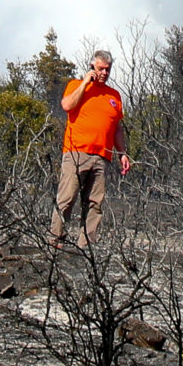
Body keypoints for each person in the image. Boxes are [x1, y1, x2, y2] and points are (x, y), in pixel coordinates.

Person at [49, 51, 130, 248]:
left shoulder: (114, 95)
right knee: (67, 198)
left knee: (94, 203)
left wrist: (122, 153)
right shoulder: (76, 85)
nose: (104, 73)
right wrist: (85, 83)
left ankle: (86, 247)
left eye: (107, 70)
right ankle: (55, 241)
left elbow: (117, 128)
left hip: (102, 156)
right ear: (93, 66)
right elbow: (67, 105)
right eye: (101, 69)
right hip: (76, 152)